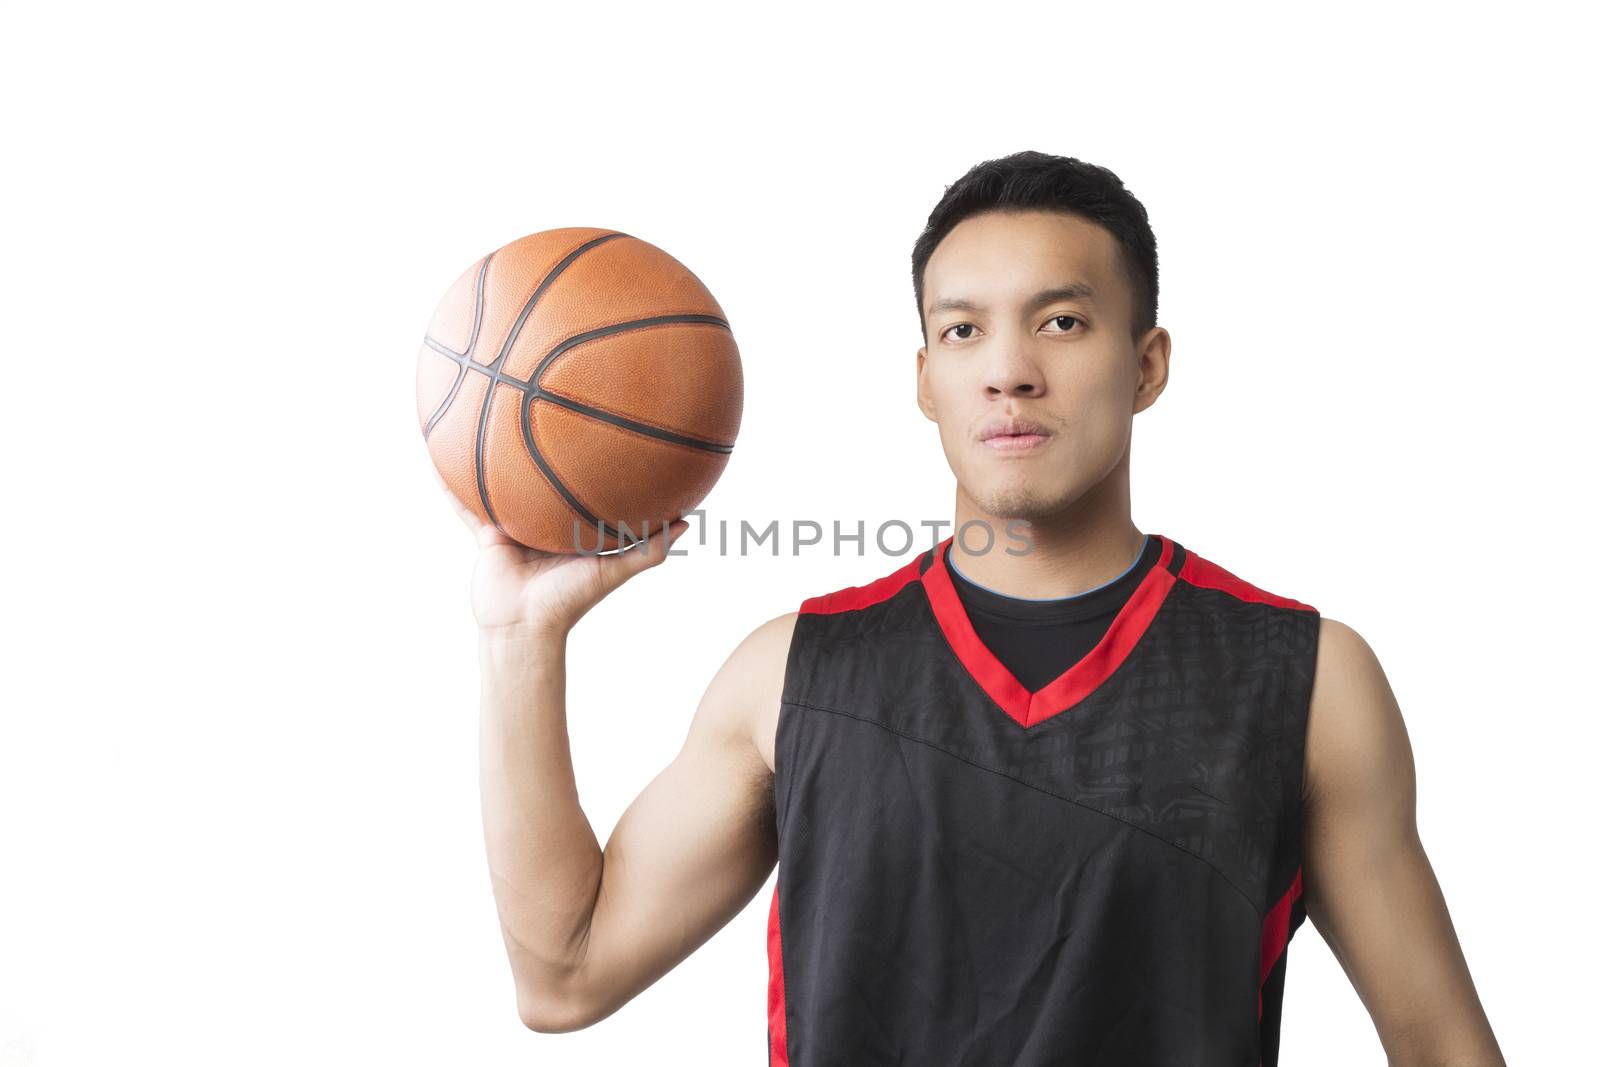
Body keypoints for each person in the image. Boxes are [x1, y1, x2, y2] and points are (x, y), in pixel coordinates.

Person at [443, 151, 1505, 1066]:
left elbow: (1440, 1045)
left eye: (1061, 320)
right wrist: (520, 637)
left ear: (1146, 365)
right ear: (923, 378)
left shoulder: (1303, 678)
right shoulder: (793, 672)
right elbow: (564, 976)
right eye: (961, 331)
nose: (1008, 371)